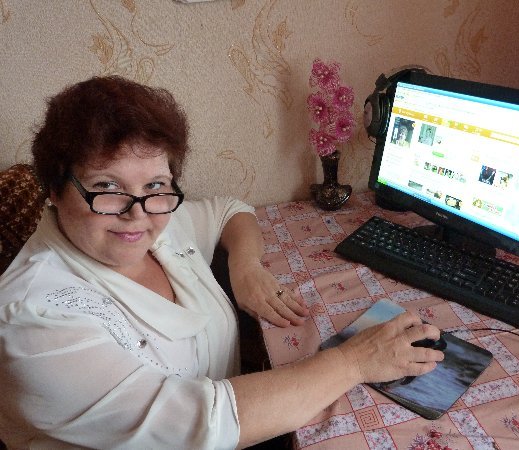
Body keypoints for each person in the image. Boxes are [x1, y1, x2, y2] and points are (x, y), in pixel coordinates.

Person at [0, 76, 444, 449]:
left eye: (155, 183)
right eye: (106, 187)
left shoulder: (156, 220)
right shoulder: (33, 323)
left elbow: (231, 210)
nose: (137, 213)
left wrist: (246, 267)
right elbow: (203, 423)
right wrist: (355, 362)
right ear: (55, 189)